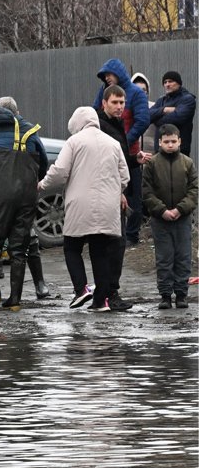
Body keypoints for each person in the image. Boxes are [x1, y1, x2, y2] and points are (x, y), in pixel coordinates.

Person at [38, 107, 129, 312]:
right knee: (100, 252)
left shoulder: (74, 142)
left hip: (80, 204)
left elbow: (60, 172)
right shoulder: (113, 143)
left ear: (77, 123)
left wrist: (43, 184)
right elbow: (125, 177)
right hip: (107, 206)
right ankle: (100, 301)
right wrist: (115, 190)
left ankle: (81, 289)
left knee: (72, 246)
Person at [0, 96, 48, 310]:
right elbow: (43, 163)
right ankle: (15, 299)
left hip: (0, 195)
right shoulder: (30, 131)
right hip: (27, 196)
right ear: (17, 111)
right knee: (19, 246)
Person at [91, 58, 149, 245]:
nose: (107, 78)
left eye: (109, 74)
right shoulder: (103, 92)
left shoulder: (135, 94)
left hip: (129, 154)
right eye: (104, 75)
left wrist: (123, 142)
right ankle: (111, 234)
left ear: (119, 73)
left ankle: (131, 236)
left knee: (132, 196)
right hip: (104, 154)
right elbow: (93, 115)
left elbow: (142, 120)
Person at [141, 124, 196, 309]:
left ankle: (181, 294)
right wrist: (162, 210)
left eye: (173, 141)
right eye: (166, 141)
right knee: (164, 257)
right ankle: (165, 294)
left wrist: (180, 209)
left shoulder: (187, 163)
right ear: (160, 142)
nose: (170, 145)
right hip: (160, 219)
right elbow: (147, 192)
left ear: (179, 141)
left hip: (183, 218)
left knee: (183, 256)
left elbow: (194, 190)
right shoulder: (152, 164)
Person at [96, 84, 136, 310]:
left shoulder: (116, 124)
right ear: (104, 103)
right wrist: (119, 191)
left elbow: (119, 159)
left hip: (115, 190)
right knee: (113, 244)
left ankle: (107, 293)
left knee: (114, 245)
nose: (120, 107)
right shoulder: (101, 127)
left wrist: (134, 159)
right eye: (115, 102)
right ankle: (109, 294)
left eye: (122, 103)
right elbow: (105, 164)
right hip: (108, 193)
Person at [149, 70, 195, 156]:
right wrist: (164, 110)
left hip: (180, 151)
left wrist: (156, 120)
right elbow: (148, 115)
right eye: (165, 82)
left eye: (170, 81)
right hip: (160, 150)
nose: (167, 84)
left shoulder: (188, 99)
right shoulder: (161, 100)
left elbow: (177, 118)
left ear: (178, 83)